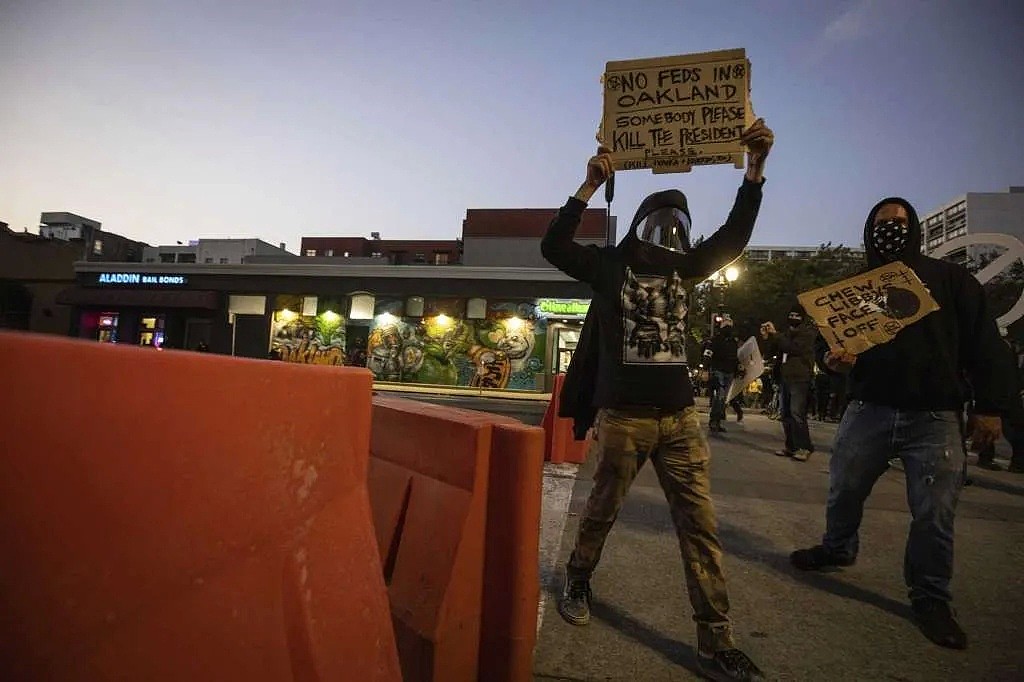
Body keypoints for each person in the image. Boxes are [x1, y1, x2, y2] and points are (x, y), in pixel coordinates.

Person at [543, 118, 774, 682]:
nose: (669, 230)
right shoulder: (608, 267)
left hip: (679, 420)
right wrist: (588, 186)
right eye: (661, 219)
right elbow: (554, 246)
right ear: (642, 221)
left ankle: (716, 641)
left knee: (700, 526)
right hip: (624, 419)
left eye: (679, 223)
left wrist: (754, 169)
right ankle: (578, 575)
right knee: (602, 510)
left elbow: (735, 236)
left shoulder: (687, 268)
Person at [790, 197, 1015, 650]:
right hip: (868, 409)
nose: (889, 229)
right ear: (869, 230)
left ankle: (930, 596)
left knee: (935, 511)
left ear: (912, 228)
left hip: (933, 417)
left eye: (897, 222)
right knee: (844, 489)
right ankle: (838, 547)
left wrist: (991, 406)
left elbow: (986, 346)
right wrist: (832, 361)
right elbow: (825, 346)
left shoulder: (952, 281)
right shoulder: (853, 289)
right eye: (880, 223)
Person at [762, 305, 817, 461]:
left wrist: (776, 335)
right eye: (791, 315)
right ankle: (791, 446)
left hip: (799, 377)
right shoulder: (786, 334)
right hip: (785, 377)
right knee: (785, 413)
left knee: (797, 413)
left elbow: (792, 348)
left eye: (796, 315)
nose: (793, 318)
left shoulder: (807, 333)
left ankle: (804, 446)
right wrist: (768, 337)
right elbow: (772, 352)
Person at [975, 328, 1024, 472]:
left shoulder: (1010, 351)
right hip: (995, 393)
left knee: (1017, 428)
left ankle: (1018, 461)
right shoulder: (994, 351)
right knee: (988, 429)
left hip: (1010, 393)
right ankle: (985, 457)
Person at [705, 315, 741, 432]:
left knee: (723, 398)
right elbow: (708, 354)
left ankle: (718, 420)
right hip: (718, 370)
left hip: (729, 372)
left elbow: (735, 357)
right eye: (726, 325)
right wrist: (706, 368)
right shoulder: (715, 340)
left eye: (730, 325)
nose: (728, 327)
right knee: (719, 396)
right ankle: (714, 420)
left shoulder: (733, 342)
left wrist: (738, 369)